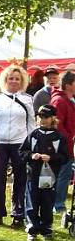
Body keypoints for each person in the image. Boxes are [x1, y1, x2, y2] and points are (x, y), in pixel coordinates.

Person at [0, 66, 35, 227]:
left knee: (21, 178)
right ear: (5, 80)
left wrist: (33, 145)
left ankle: (18, 214)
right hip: (0, 143)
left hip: (20, 143)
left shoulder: (28, 99)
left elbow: (31, 124)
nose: (13, 81)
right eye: (10, 78)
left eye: (17, 78)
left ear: (22, 81)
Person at [20, 104, 68, 241]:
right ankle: (32, 228)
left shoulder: (59, 137)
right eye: (40, 117)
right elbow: (22, 152)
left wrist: (52, 158)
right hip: (33, 175)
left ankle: (46, 228)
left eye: (46, 117)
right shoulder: (33, 134)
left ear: (53, 118)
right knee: (32, 202)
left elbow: (64, 157)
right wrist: (31, 156)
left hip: (50, 177)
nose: (43, 120)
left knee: (47, 203)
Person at [50, 70, 75, 219]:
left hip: (69, 145)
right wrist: (71, 138)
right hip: (63, 146)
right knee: (62, 176)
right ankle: (57, 205)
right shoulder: (59, 101)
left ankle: (58, 204)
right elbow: (57, 126)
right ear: (68, 84)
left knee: (64, 175)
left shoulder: (69, 99)